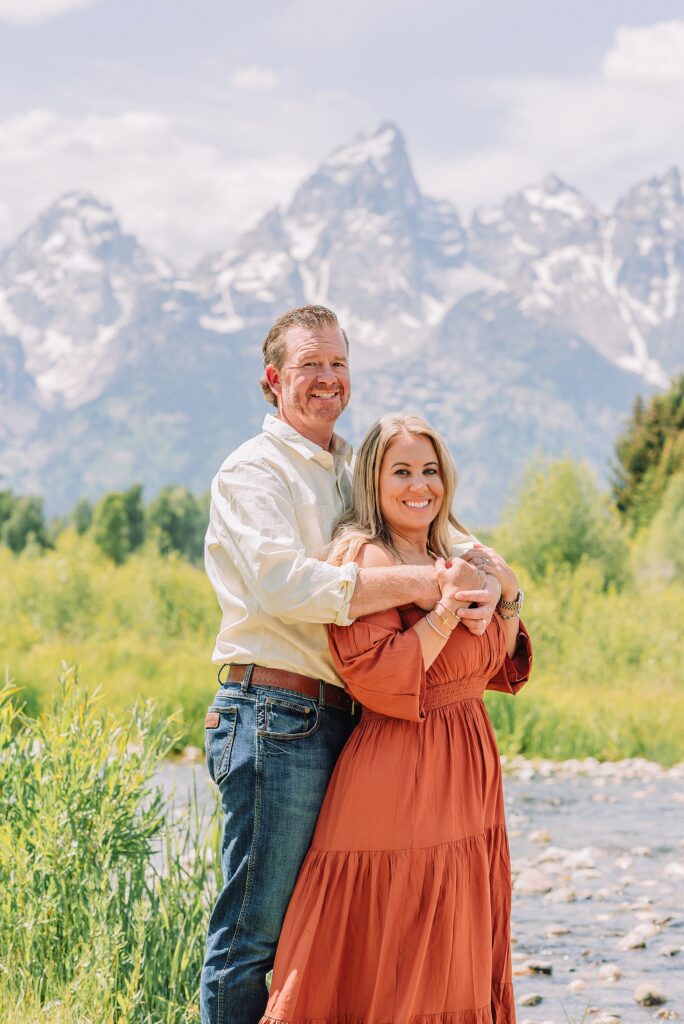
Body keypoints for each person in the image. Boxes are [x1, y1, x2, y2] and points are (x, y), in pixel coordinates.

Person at [201, 306, 500, 1024]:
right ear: (274, 380)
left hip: (353, 724)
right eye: (310, 366)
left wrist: (492, 577)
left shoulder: (350, 467)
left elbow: (432, 522)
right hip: (275, 717)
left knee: (324, 933)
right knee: (254, 938)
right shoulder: (254, 471)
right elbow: (286, 584)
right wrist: (429, 586)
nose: (328, 380)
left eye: (338, 364)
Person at [260, 413, 532, 1024]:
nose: (420, 486)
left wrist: (505, 589)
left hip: (465, 765)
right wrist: (440, 610)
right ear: (373, 483)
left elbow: (491, 663)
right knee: (403, 942)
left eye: (430, 470)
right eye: (401, 471)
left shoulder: (447, 552)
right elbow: (379, 681)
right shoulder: (365, 557)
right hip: (402, 770)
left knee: (455, 938)